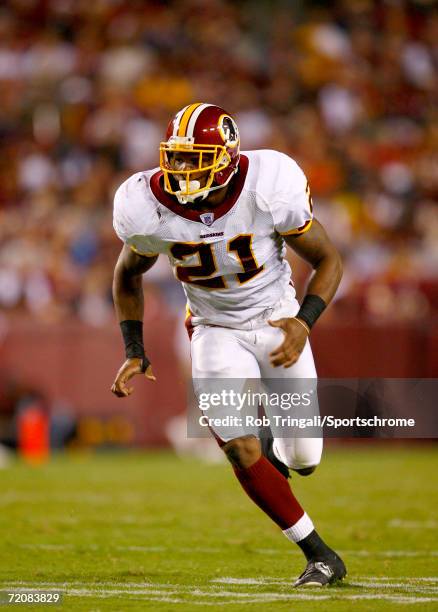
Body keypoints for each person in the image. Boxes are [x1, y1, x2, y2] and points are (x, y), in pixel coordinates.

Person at [111, 102, 346, 587]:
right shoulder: (145, 202)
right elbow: (126, 275)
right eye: (174, 157)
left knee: (303, 459)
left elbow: (328, 260)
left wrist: (305, 322)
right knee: (239, 449)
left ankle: (272, 455)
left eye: (193, 157)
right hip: (213, 328)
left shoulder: (267, 181)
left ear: (226, 156)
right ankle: (319, 553)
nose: (180, 169)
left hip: (278, 319)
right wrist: (134, 348)